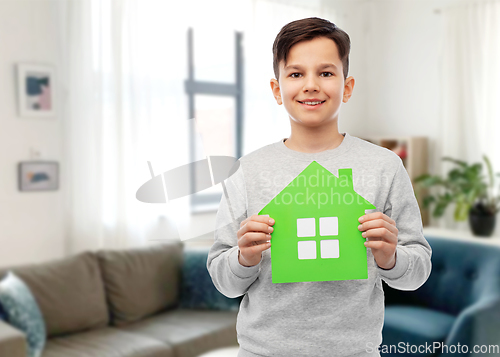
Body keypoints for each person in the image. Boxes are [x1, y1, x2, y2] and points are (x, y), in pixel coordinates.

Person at [206, 17, 432, 357]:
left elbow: (416, 273)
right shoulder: (247, 171)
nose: (311, 85)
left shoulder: (384, 166)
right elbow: (224, 282)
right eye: (296, 74)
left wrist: (390, 256)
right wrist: (244, 257)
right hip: (263, 352)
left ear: (348, 86)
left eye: (326, 73)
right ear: (277, 89)